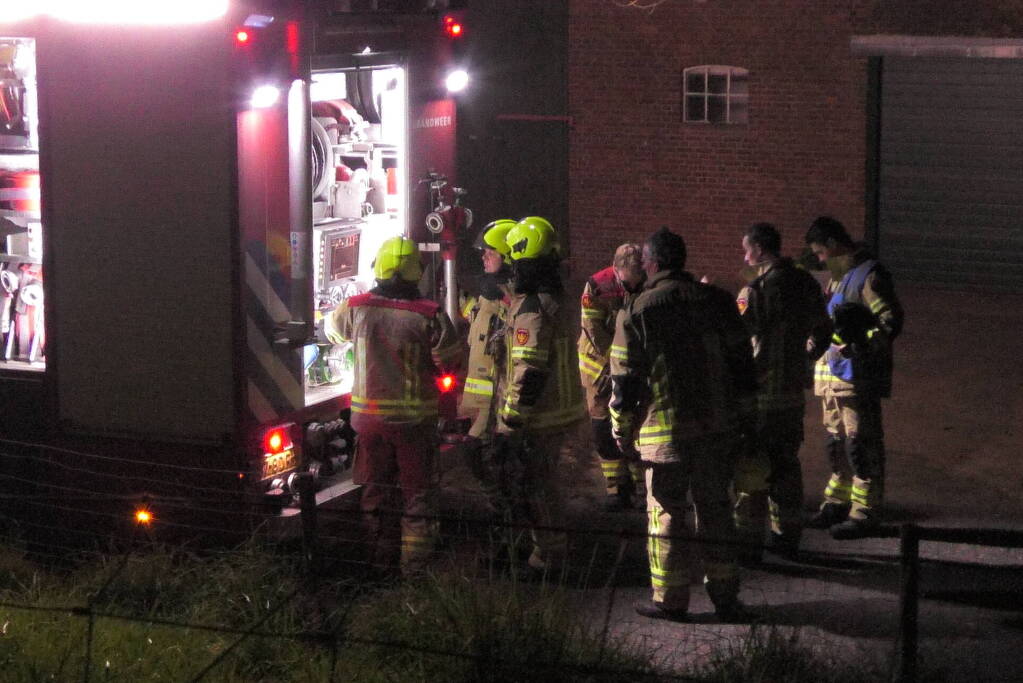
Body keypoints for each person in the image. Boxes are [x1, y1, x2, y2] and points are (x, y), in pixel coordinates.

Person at [610, 227, 757, 622]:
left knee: (667, 513)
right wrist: (744, 420)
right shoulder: (718, 301)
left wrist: (621, 432)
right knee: (716, 509)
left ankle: (671, 600)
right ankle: (726, 596)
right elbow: (744, 366)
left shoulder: (637, 310)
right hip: (718, 429)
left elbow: (624, 382)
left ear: (652, 263)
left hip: (666, 434)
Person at [326, 236, 463, 575]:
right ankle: (414, 570)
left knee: (376, 493)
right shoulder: (430, 315)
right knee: (418, 497)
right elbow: (449, 365)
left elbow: (331, 332)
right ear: (416, 274)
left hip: (368, 425)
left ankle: (379, 562)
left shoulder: (356, 307)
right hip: (414, 425)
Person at [732, 222, 832, 561]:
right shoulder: (805, 283)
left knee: (752, 469)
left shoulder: (755, 290)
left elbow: (738, 337)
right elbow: (823, 328)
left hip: (760, 396)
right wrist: (805, 357)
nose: (744, 256)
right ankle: (787, 537)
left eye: (746, 249)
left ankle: (749, 543)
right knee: (787, 466)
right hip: (790, 396)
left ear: (759, 250)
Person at [495, 216, 585, 575]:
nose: (513, 272)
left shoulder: (532, 309)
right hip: (564, 409)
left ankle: (549, 559)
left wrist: (511, 420)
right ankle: (547, 553)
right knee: (548, 485)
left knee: (538, 487)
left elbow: (529, 370)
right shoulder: (560, 300)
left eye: (516, 264)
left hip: (540, 416)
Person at [804, 216, 904, 539]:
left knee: (861, 445)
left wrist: (860, 343)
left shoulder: (868, 276)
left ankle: (865, 512)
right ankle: (838, 501)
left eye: (820, 252)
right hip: (833, 380)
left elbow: (888, 322)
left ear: (833, 244)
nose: (820, 259)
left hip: (855, 378)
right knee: (836, 445)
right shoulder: (840, 276)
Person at [577, 243, 647, 511]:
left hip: (631, 368)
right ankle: (616, 490)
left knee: (633, 425)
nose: (633, 287)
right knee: (602, 431)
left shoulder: (644, 283)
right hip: (599, 370)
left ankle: (640, 488)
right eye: (629, 280)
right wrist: (613, 365)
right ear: (616, 270)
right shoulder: (597, 286)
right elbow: (593, 330)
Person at [458, 219, 515, 514]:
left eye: (490, 252)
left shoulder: (513, 302)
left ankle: (508, 521)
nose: (483, 257)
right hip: (484, 409)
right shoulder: (489, 295)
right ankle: (500, 510)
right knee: (475, 456)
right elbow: (477, 317)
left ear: (507, 256)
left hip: (499, 409)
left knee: (494, 465)